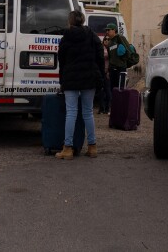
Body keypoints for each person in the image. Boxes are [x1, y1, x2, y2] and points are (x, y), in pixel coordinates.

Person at [55, 10, 104, 160]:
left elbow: (61, 60)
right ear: (82, 20)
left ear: (70, 21)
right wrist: (99, 73)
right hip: (89, 77)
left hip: (71, 78)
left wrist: (62, 80)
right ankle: (92, 147)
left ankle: (68, 148)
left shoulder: (66, 37)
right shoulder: (91, 35)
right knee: (88, 112)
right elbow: (100, 53)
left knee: (71, 112)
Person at [103, 23, 132, 92]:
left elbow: (128, 52)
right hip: (112, 70)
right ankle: (114, 102)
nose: (107, 32)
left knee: (120, 89)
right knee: (112, 89)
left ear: (114, 30)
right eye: (106, 30)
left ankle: (120, 102)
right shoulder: (110, 42)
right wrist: (108, 71)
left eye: (108, 30)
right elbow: (110, 57)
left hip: (121, 69)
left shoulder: (120, 38)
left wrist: (122, 58)